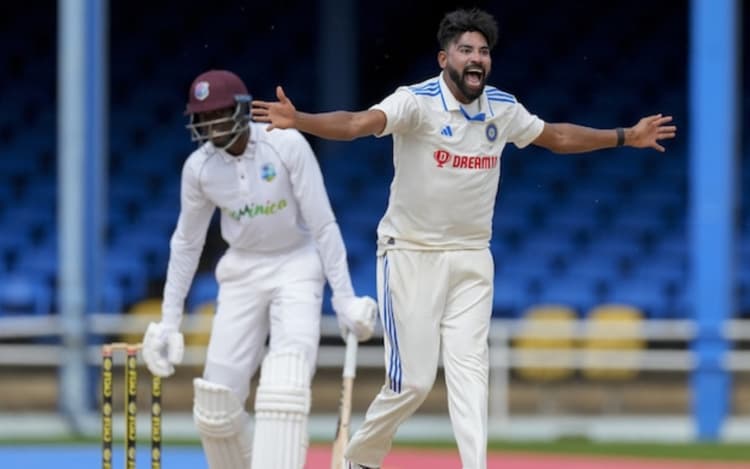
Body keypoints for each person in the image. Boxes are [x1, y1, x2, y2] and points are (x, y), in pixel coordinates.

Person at [252, 7, 677, 469]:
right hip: (410, 253)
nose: (477, 58)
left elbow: (556, 137)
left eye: (483, 51)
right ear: (444, 58)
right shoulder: (415, 102)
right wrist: (300, 119)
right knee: (412, 384)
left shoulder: (502, 107)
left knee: (472, 375)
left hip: (473, 255)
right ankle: (360, 459)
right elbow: (356, 124)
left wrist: (625, 135)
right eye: (466, 50)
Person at [140, 69, 378, 469]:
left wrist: (345, 299)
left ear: (240, 110)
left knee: (285, 387)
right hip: (241, 270)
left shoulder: (285, 144)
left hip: (296, 264)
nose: (212, 125)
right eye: (204, 117)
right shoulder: (199, 168)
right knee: (214, 406)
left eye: (219, 114)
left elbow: (322, 224)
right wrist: (168, 322)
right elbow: (186, 244)